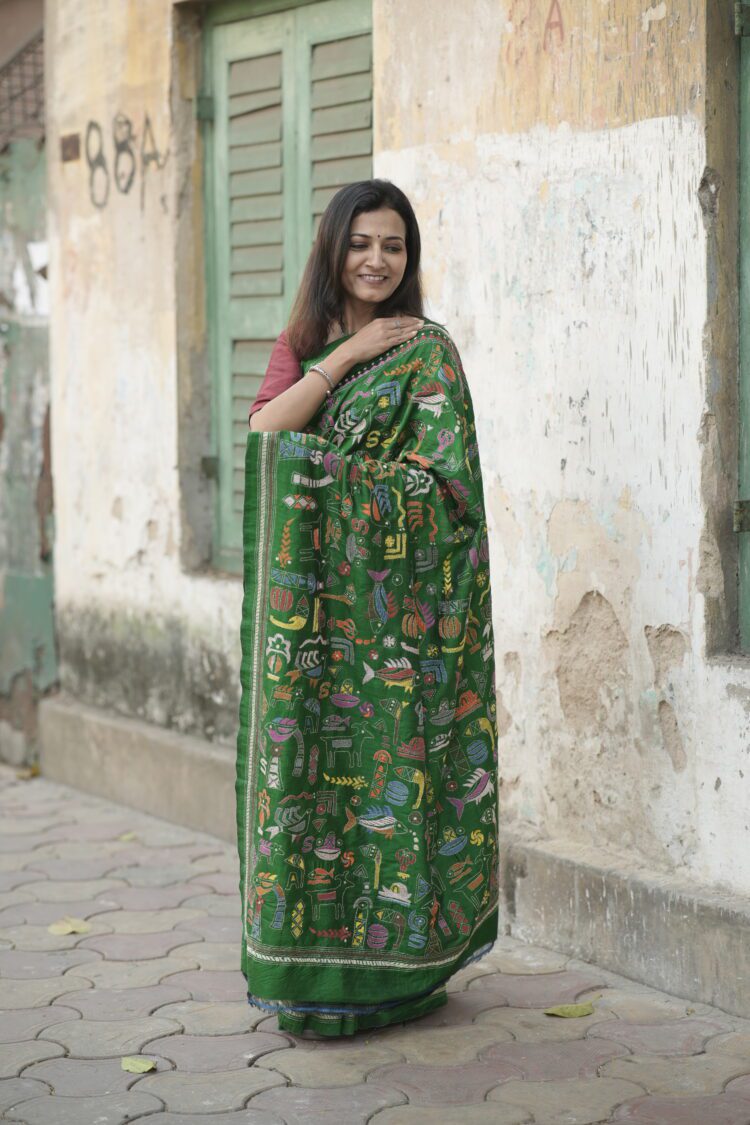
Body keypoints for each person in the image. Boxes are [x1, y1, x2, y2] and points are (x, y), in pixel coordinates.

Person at [236, 178, 499, 1037]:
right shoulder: (306, 342)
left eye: (394, 246)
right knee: (309, 793)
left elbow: (448, 494)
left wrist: (360, 493)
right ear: (333, 251)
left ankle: (399, 978)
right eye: (361, 244)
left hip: (399, 625)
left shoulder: (430, 353)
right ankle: (310, 975)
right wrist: (344, 358)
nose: (377, 260)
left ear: (409, 258)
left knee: (394, 788)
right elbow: (268, 435)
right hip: (309, 620)